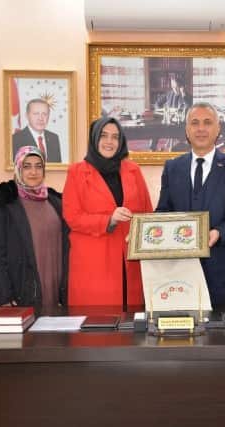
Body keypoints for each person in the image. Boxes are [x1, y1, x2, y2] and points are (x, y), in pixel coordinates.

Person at [156, 102, 225, 307]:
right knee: (184, 323)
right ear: (187, 130)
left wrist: (219, 232)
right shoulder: (172, 167)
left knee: (220, 325)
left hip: (224, 267)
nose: (201, 128)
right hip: (180, 267)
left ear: (218, 129)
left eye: (207, 122)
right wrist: (146, 232)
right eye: (195, 123)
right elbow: (163, 210)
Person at [63, 117, 153, 307]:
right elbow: (72, 217)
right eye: (103, 135)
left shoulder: (133, 170)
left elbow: (147, 213)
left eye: (115, 137)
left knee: (131, 320)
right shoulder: (76, 172)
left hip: (130, 261)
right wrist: (108, 220)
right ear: (94, 139)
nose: (109, 141)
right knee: (97, 321)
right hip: (94, 264)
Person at [0, 146, 68, 309]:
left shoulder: (56, 202)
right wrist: (3, 296)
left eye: (38, 166)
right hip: (21, 294)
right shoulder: (3, 203)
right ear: (18, 169)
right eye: (27, 166)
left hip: (55, 291)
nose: (33, 172)